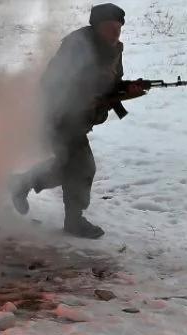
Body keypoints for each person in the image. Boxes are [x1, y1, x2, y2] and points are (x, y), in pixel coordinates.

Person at [11, 3, 146, 239]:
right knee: (83, 167)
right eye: (109, 28)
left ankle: (21, 184)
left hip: (79, 118)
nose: (115, 33)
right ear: (96, 27)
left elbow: (109, 86)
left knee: (67, 168)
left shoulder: (114, 50)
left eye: (118, 28)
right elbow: (52, 83)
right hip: (58, 117)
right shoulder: (77, 46)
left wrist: (127, 90)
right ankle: (74, 222)